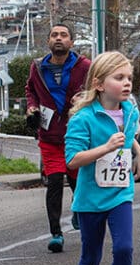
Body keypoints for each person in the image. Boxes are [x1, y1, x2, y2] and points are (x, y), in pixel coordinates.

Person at [65, 51, 140, 265]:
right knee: (91, 255)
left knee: (124, 247)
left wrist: (137, 150)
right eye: (119, 78)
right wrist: (106, 148)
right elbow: (72, 160)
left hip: (120, 192)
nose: (127, 84)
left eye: (129, 78)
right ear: (99, 84)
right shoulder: (83, 118)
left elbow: (129, 134)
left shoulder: (130, 111)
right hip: (90, 198)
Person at [26, 23, 92, 253]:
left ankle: (78, 210)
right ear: (48, 41)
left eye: (64, 35)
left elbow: (95, 90)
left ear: (71, 42)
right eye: (54, 35)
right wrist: (32, 109)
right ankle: (56, 233)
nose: (58, 38)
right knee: (54, 183)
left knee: (77, 182)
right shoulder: (37, 67)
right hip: (49, 136)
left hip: (76, 135)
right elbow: (30, 90)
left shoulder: (84, 66)